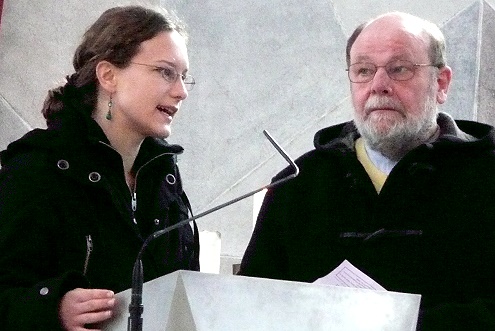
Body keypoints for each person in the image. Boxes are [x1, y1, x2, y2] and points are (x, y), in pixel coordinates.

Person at [238, 11, 495, 330]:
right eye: (363, 70)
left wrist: (405, 325)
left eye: (399, 69)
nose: (379, 85)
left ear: (440, 84)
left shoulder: (487, 173)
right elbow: (251, 307)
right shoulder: (299, 183)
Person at [0, 5, 200, 330]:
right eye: (165, 72)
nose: (181, 92)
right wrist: (52, 308)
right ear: (108, 75)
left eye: (183, 75)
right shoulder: (37, 168)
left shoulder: (164, 177)